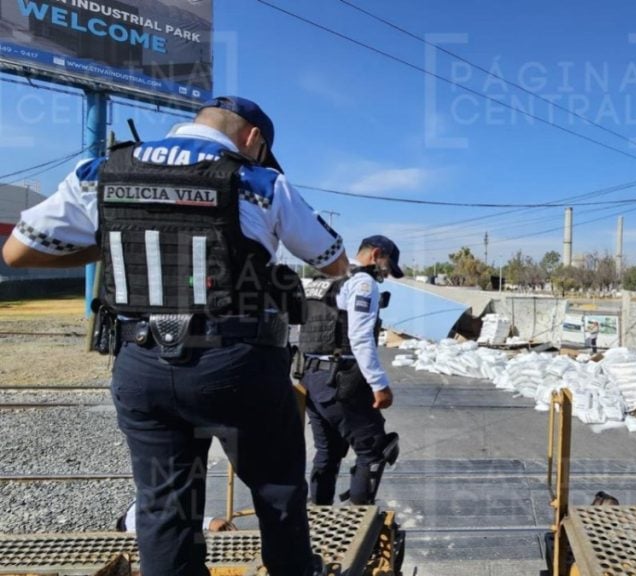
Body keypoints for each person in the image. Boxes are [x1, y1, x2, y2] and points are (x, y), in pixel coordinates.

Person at [3, 95, 348, 575]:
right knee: (277, 489)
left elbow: (18, 253)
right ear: (253, 138)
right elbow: (332, 261)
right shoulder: (259, 180)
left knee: (165, 505)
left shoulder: (100, 171)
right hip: (237, 366)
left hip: (140, 362)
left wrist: (101, 249)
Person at [298, 235, 403, 506]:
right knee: (373, 451)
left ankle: (315, 520)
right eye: (387, 265)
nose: (387, 273)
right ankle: (359, 525)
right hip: (341, 378)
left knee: (328, 452)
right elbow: (359, 337)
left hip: (311, 376)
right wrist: (379, 383)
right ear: (376, 254)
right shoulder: (363, 282)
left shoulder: (323, 277)